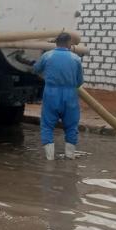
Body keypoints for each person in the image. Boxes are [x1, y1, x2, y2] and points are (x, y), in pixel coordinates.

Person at [33, 32, 83, 160]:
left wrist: (45, 76)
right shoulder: (75, 58)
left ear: (56, 42)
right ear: (69, 43)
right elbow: (79, 81)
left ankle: (50, 159)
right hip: (70, 95)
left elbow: (36, 69)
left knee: (47, 125)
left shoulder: (47, 56)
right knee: (71, 126)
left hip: (51, 93)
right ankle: (70, 157)